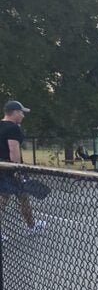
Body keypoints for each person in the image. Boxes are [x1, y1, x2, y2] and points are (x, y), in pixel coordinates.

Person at [0, 100, 46, 234]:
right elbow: (13, 149)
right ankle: (31, 227)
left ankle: (31, 225)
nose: (23, 116)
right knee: (5, 198)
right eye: (21, 113)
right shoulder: (13, 128)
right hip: (9, 170)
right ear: (14, 112)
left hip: (2, 167)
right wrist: (18, 170)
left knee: (22, 197)